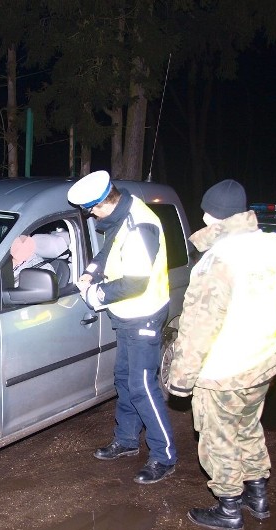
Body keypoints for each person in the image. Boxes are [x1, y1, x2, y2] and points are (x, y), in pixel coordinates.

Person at [167, 179, 276, 530]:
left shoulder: (218, 261)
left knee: (218, 437)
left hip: (224, 369)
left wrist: (181, 379)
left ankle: (229, 509)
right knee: (248, 427)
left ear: (211, 215)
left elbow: (198, 327)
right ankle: (258, 495)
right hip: (264, 359)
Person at [67, 170, 177, 484]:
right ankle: (127, 440)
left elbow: (135, 283)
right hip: (127, 316)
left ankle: (164, 456)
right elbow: (110, 248)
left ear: (102, 203)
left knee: (142, 385)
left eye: (90, 209)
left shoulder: (139, 225)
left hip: (143, 313)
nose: (90, 214)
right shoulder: (122, 214)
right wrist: (91, 271)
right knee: (125, 379)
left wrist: (95, 295)